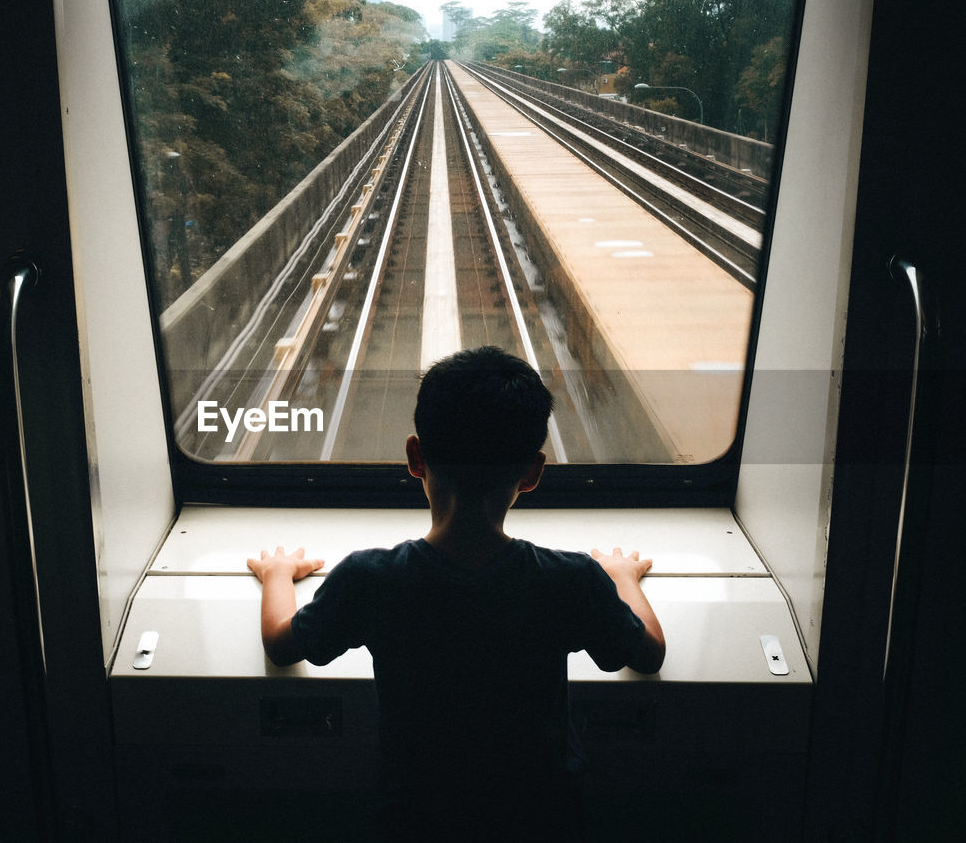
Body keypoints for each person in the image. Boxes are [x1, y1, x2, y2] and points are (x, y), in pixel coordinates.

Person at [247, 346, 666, 840]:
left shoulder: (372, 578)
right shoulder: (568, 580)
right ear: (531, 473)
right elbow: (649, 653)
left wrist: (277, 573)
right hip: (542, 816)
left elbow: (281, 643)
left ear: (415, 457)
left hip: (417, 817)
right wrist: (621, 578)